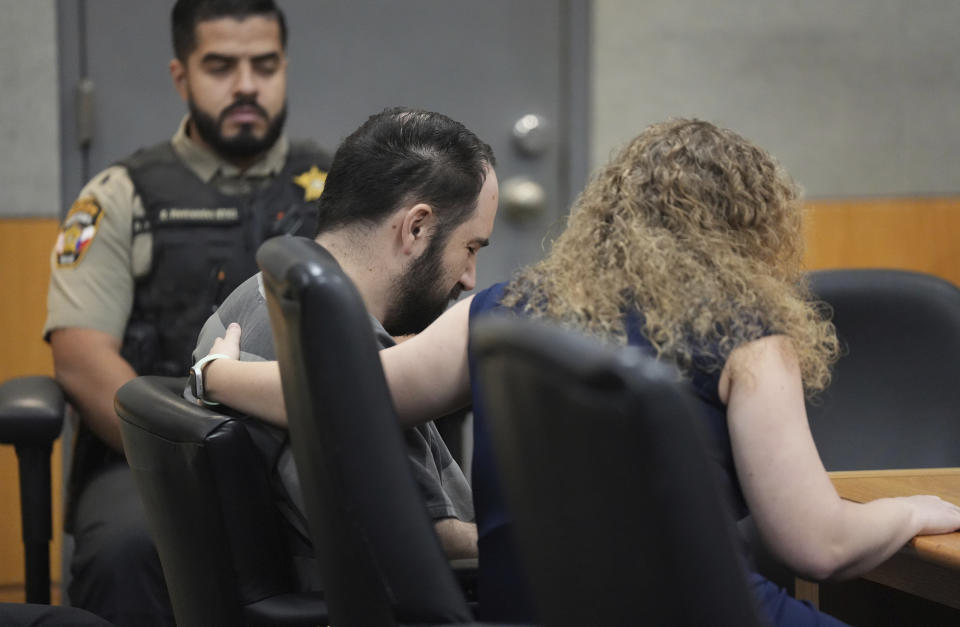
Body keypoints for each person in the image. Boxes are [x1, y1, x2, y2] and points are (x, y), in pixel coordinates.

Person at [203, 118, 960, 625]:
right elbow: (818, 546)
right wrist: (916, 511)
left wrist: (219, 377)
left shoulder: (499, 309)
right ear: (751, 228)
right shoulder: (746, 336)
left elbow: (348, 396)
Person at [43, 1, 331, 624]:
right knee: (128, 549)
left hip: (313, 454)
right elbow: (80, 355)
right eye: (221, 66)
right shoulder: (121, 195)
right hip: (151, 459)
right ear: (182, 76)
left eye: (264, 64)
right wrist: (190, 456)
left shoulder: (340, 190)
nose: (247, 85)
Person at [187, 107, 496, 587]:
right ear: (416, 228)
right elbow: (424, 540)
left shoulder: (250, 298)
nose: (469, 278)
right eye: (471, 248)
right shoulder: (340, 340)